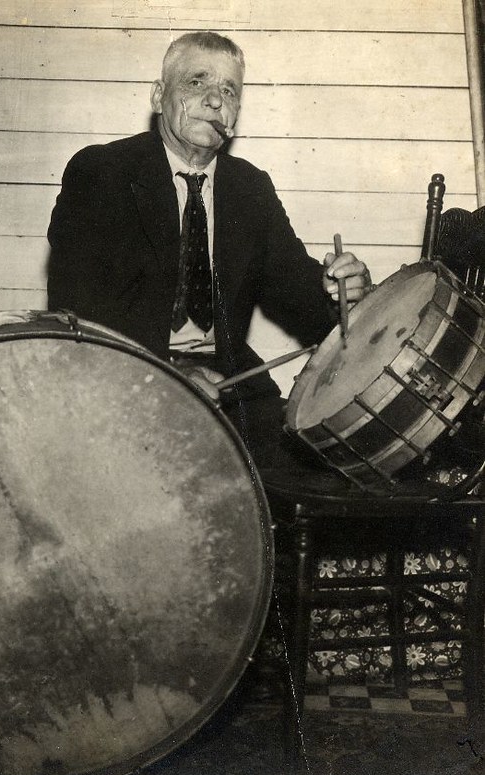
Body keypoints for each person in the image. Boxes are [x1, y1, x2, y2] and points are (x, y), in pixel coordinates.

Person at [47, 31, 372, 467]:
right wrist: (169, 376)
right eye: (196, 83)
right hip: (122, 381)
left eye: (228, 90)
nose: (215, 101)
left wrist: (345, 293)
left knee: (296, 479)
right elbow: (76, 313)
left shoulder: (250, 187)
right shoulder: (103, 171)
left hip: (232, 385)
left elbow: (305, 304)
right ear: (160, 96)